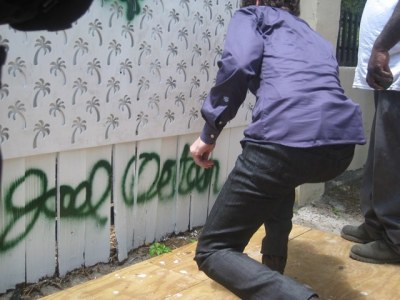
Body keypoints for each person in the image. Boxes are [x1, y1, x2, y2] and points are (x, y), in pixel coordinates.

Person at [189, 0, 366, 299]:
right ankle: (274, 269)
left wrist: (209, 131)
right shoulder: (310, 34)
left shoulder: (253, 15)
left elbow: (238, 63)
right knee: (280, 179)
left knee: (213, 249)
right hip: (340, 145)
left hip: (284, 141)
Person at [340, 0, 400, 264]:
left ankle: (395, 240)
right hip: (390, 75)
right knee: (380, 156)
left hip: (396, 70)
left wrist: (381, 47)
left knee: (392, 159)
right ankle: (376, 226)